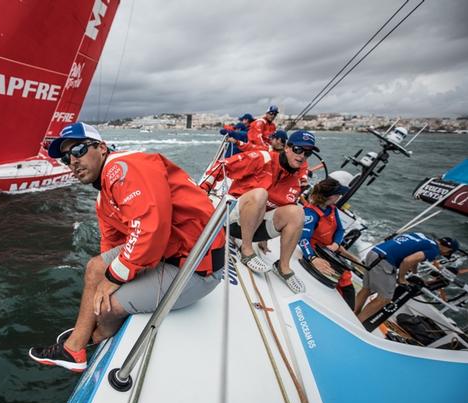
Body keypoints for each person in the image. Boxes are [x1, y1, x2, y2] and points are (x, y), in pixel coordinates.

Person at [29, 122, 225, 372]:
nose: (73, 162)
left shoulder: (121, 167)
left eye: (78, 150)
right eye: (67, 159)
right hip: (170, 255)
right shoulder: (103, 198)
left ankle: (97, 336)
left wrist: (112, 280)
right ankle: (76, 344)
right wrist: (104, 276)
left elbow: (150, 229)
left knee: (107, 307)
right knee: (94, 268)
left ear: (101, 147)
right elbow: (112, 244)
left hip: (196, 267)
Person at [200, 130, 319, 293]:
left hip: (256, 227)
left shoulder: (298, 180)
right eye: (298, 149)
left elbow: (279, 208)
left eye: (308, 152)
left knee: (297, 211)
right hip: (232, 219)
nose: (302, 155)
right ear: (287, 148)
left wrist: (265, 239)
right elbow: (222, 165)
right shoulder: (263, 158)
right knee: (261, 193)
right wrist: (202, 192)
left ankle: (283, 267)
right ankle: (247, 251)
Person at [354, 233, 460, 322]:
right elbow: (407, 261)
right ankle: (358, 322)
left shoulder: (422, 236)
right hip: (385, 261)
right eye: (448, 253)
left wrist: (415, 273)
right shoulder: (434, 250)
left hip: (375, 253)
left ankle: (354, 313)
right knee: (385, 299)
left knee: (367, 288)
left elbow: (413, 257)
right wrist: (402, 279)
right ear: (448, 248)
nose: (444, 254)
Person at [299, 177, 357, 308]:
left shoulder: (332, 209)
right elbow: (303, 240)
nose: (339, 196)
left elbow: (340, 230)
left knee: (347, 283)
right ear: (330, 197)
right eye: (338, 194)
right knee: (342, 283)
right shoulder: (311, 213)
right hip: (317, 252)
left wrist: (336, 244)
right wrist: (312, 258)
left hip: (330, 250)